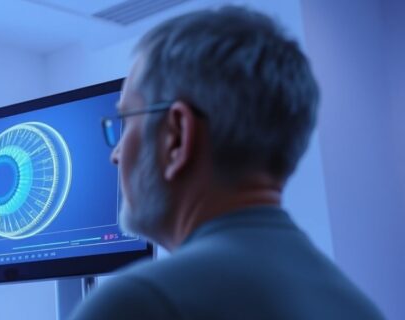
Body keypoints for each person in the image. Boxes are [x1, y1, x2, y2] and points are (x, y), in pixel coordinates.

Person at [71, 6, 383, 320]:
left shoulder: (139, 303)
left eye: (126, 121)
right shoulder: (360, 308)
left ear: (176, 136)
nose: (116, 154)